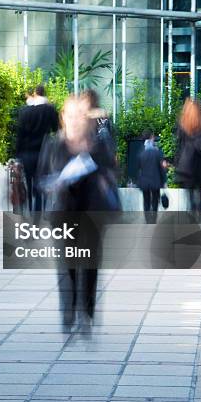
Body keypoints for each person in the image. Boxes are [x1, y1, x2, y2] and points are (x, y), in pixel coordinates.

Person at [37, 95, 119, 333]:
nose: (74, 121)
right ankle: (69, 311)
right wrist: (54, 183)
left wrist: (103, 178)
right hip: (63, 215)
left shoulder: (98, 145)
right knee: (67, 265)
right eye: (69, 115)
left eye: (79, 116)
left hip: (92, 215)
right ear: (63, 117)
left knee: (90, 265)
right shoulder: (53, 145)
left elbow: (112, 171)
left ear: (86, 119)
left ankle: (88, 312)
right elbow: (42, 178)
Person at [16, 84, 59, 212]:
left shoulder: (24, 111)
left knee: (28, 182)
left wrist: (17, 155)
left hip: (26, 153)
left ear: (34, 94)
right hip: (43, 152)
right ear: (44, 93)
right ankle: (38, 214)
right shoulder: (49, 109)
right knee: (41, 184)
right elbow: (56, 129)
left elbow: (20, 134)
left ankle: (29, 210)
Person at [137, 131, 167, 223]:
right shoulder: (157, 152)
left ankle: (147, 220)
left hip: (145, 182)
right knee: (155, 200)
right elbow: (161, 169)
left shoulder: (141, 153)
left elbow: (138, 169)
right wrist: (164, 181)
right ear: (151, 138)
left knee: (146, 200)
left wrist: (138, 181)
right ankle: (153, 220)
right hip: (155, 181)